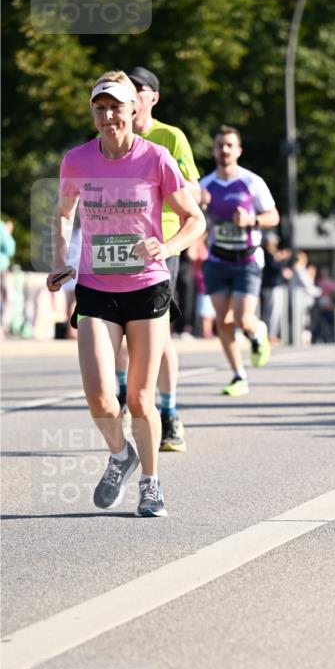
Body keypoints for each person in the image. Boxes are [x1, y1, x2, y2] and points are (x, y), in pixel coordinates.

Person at [47, 71, 205, 516]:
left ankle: (151, 484)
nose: (109, 116)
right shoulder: (76, 160)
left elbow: (195, 219)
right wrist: (60, 259)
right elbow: (63, 213)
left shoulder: (156, 158)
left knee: (138, 398)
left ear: (134, 109)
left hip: (146, 287)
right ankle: (120, 455)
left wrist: (166, 247)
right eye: (100, 108)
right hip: (96, 287)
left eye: (116, 107)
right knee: (100, 396)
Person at [112, 66, 202, 453]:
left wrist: (164, 182)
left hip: (162, 246)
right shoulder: (109, 135)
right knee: (117, 330)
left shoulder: (170, 138)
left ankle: (169, 412)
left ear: (153, 98)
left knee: (158, 334)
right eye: (127, 89)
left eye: (140, 89)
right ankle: (122, 396)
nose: (132, 96)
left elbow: (195, 190)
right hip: (118, 245)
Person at [200, 125, 279, 396]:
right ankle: (238, 375)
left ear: (239, 150)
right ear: (214, 150)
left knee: (243, 319)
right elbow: (196, 223)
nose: (224, 150)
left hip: (247, 260)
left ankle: (257, 332)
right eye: (220, 145)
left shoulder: (251, 182)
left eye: (229, 145)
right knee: (223, 321)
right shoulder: (204, 186)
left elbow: (274, 216)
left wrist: (251, 220)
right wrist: (200, 208)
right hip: (217, 259)